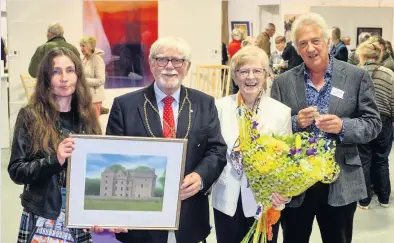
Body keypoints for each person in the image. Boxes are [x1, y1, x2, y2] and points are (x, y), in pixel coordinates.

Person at [93, 36, 227, 243]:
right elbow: (112, 159)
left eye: (178, 60)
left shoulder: (204, 103)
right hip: (139, 223)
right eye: (162, 59)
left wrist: (200, 177)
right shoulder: (124, 106)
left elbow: (216, 150)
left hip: (189, 217)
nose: (170, 67)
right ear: (151, 63)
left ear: (187, 66)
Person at [271, 13, 382, 243]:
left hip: (340, 181)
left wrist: (343, 126)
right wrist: (295, 123)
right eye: (303, 43)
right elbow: (273, 131)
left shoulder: (356, 76)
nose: (310, 48)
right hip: (296, 185)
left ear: (328, 42)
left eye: (315, 41)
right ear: (297, 49)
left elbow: (373, 124)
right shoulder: (283, 82)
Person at [8, 47, 102, 242]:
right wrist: (55, 159)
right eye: (56, 71)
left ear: (78, 75)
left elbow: (97, 170)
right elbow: (17, 171)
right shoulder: (30, 116)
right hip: (42, 214)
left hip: (78, 214)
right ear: (46, 78)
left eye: (70, 70)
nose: (64, 78)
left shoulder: (88, 116)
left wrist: (97, 211)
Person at [212, 45, 291, 243]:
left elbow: (286, 160)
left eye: (257, 71)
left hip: (264, 201)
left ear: (266, 75)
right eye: (243, 71)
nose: (250, 77)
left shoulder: (281, 112)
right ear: (235, 76)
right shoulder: (219, 108)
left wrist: (284, 192)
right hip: (227, 197)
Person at [356, 39, 394, 209]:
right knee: (382, 159)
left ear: (362, 55)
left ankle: (364, 201)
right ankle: (384, 198)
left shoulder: (356, 73)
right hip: (385, 120)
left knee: (364, 159)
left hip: (363, 120)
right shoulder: (389, 73)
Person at [80, 35, 106, 119]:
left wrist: (83, 80)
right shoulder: (83, 60)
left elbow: (101, 80)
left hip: (94, 99)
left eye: (83, 46)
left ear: (90, 46)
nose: (81, 48)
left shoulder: (98, 60)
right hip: (84, 98)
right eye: (81, 46)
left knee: (94, 125)